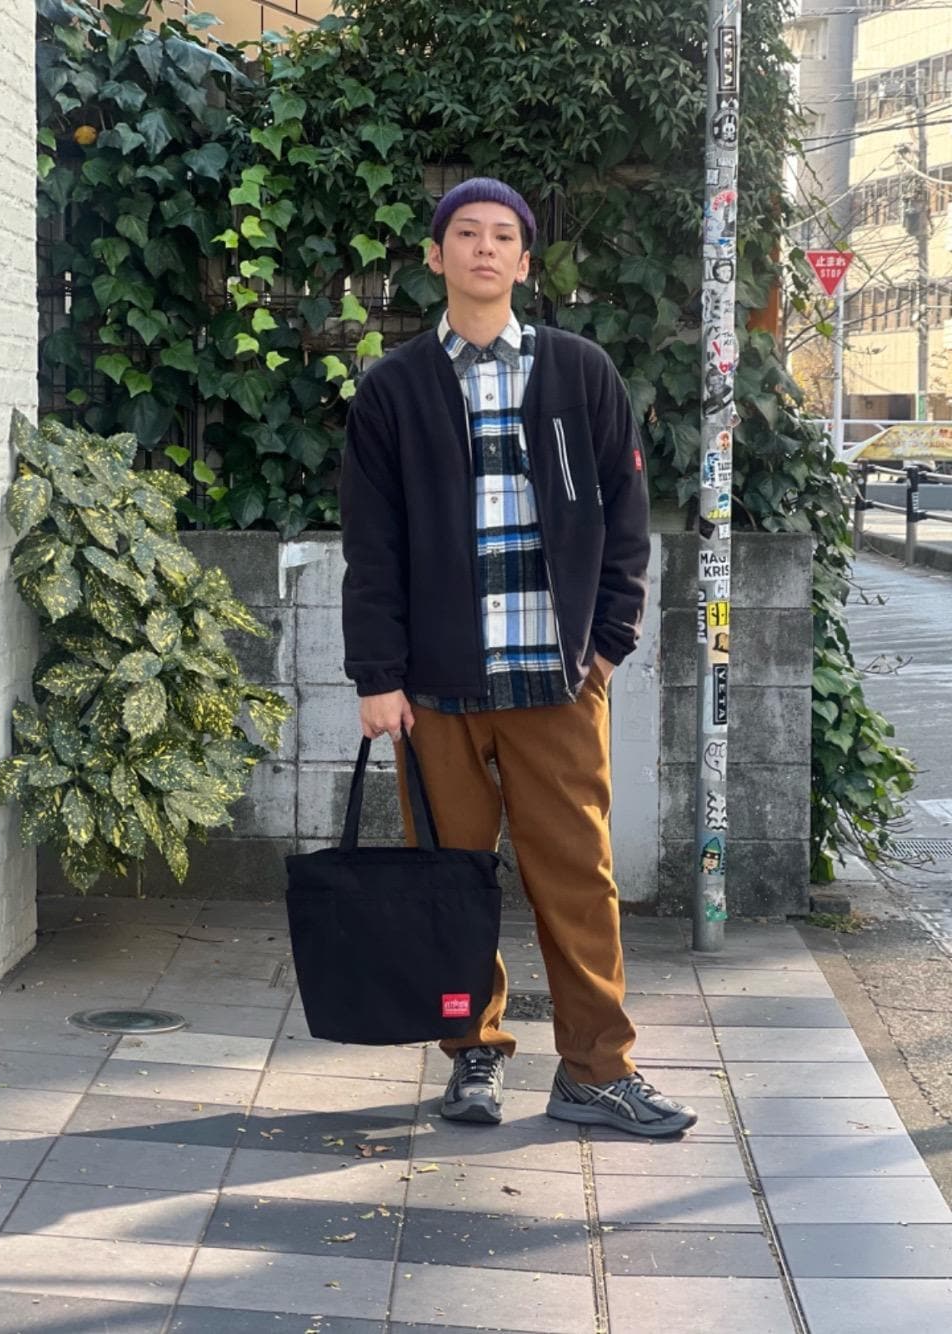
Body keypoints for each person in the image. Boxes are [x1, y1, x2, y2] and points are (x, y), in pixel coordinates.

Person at [339, 177, 698, 1138]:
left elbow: (626, 521)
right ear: (436, 256)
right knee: (450, 886)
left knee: (578, 881)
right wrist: (378, 677)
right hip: (437, 693)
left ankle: (597, 1071)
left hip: (557, 683)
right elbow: (372, 546)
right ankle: (471, 1051)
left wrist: (608, 645)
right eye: (467, 234)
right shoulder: (394, 389)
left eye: (503, 236)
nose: (485, 249)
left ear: (526, 263)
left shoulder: (580, 373)